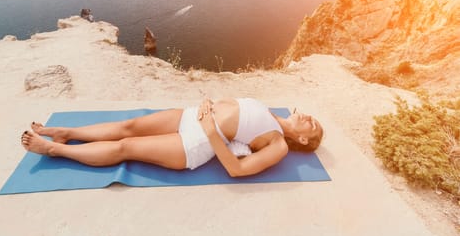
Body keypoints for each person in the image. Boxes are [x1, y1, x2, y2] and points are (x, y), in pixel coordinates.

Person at [21, 98, 323, 177]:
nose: (310, 117)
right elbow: (235, 103)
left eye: (314, 126)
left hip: (199, 142)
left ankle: (54, 150)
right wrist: (210, 102)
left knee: (127, 147)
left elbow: (237, 169)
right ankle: (66, 132)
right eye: (311, 116)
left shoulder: (280, 145)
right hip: (194, 115)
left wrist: (209, 130)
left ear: (305, 140)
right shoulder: (272, 111)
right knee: (130, 125)